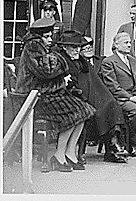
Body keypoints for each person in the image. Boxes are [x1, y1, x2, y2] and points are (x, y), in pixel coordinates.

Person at [15, 17, 95, 172]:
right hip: (33, 97)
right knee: (75, 112)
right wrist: (60, 62)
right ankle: (58, 156)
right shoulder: (33, 46)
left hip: (44, 92)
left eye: (50, 36)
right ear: (38, 36)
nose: (50, 39)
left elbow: (48, 72)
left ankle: (69, 153)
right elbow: (46, 70)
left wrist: (61, 78)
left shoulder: (42, 47)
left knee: (84, 110)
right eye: (47, 36)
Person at [57, 30, 128, 164]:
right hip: (74, 97)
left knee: (111, 105)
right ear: (64, 47)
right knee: (89, 110)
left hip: (89, 95)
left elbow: (95, 83)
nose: (77, 50)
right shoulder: (62, 60)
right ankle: (69, 153)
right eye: (73, 47)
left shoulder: (82, 61)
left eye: (78, 47)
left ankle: (112, 147)